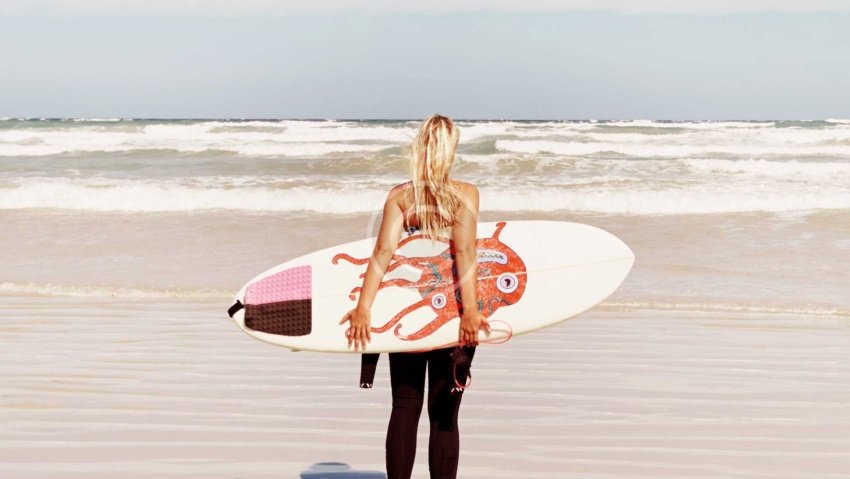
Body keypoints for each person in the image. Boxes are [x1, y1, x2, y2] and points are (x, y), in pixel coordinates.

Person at [339, 114, 491, 479]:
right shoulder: (466, 195)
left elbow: (382, 253)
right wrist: (471, 312)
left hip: (408, 311)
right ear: (450, 151)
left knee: (404, 407)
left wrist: (364, 307)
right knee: (444, 415)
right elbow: (465, 253)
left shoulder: (400, 197)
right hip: (451, 316)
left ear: (420, 148)